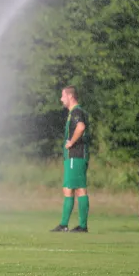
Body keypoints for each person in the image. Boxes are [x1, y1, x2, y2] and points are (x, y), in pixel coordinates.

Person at [51, 86, 90, 233]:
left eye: (63, 96)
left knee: (73, 189)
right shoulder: (75, 112)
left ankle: (69, 225)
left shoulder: (76, 112)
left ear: (70, 97)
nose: (61, 99)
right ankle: (72, 225)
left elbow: (80, 127)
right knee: (75, 189)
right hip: (76, 156)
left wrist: (71, 142)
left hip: (76, 156)